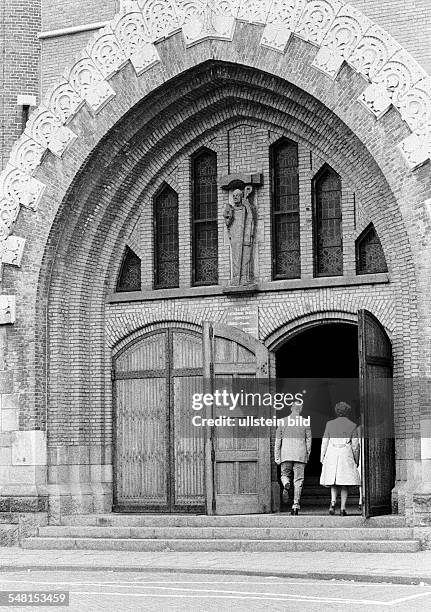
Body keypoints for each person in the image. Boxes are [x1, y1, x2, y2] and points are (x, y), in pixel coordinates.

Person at [320, 401, 360, 516]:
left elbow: (324, 441)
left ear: (337, 412)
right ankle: (342, 508)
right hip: (345, 454)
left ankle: (332, 503)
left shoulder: (329, 424)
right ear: (348, 412)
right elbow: (355, 445)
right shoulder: (352, 425)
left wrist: (322, 458)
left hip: (332, 453)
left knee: (333, 481)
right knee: (344, 483)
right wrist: (356, 459)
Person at [274, 401, 312, 515]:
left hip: (286, 454)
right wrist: (307, 454)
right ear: (301, 409)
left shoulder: (282, 422)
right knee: (298, 480)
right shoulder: (305, 422)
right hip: (300, 454)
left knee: (284, 475)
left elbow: (278, 441)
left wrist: (277, 456)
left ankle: (286, 483)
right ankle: (295, 505)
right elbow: (309, 441)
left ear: (291, 408)